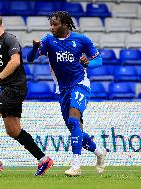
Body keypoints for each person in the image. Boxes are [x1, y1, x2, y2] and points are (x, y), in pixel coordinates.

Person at [27, 11, 107, 176]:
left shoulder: (81, 40)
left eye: (55, 24)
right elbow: (30, 58)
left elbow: (99, 61)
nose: (52, 27)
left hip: (80, 84)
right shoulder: (48, 40)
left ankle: (76, 166)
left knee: (73, 120)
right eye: (51, 24)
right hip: (62, 89)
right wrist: (35, 46)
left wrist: (89, 63)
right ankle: (99, 151)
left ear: (65, 24)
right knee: (74, 128)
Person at [0, 12, 53, 176]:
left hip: (15, 89)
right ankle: (43, 159)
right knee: (13, 131)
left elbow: (15, 62)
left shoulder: (9, 39)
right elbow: (3, 70)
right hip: (8, 89)